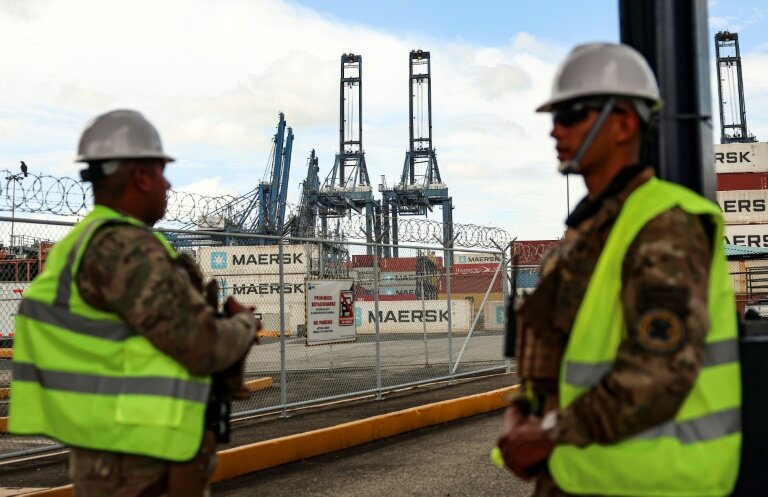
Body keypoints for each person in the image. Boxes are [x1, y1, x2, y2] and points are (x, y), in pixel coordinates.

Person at [497, 43, 741, 496]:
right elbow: (563, 352)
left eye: (571, 114)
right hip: (577, 476)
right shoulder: (585, 235)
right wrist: (522, 409)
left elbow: (660, 370)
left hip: (653, 485)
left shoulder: (665, 225)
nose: (554, 130)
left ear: (625, 123)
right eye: (555, 117)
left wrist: (548, 435)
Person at [9, 109, 260, 497]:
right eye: (162, 172)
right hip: (141, 463)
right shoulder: (126, 248)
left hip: (118, 452)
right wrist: (243, 325)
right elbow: (201, 344)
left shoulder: (85, 242)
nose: (168, 184)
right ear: (141, 176)